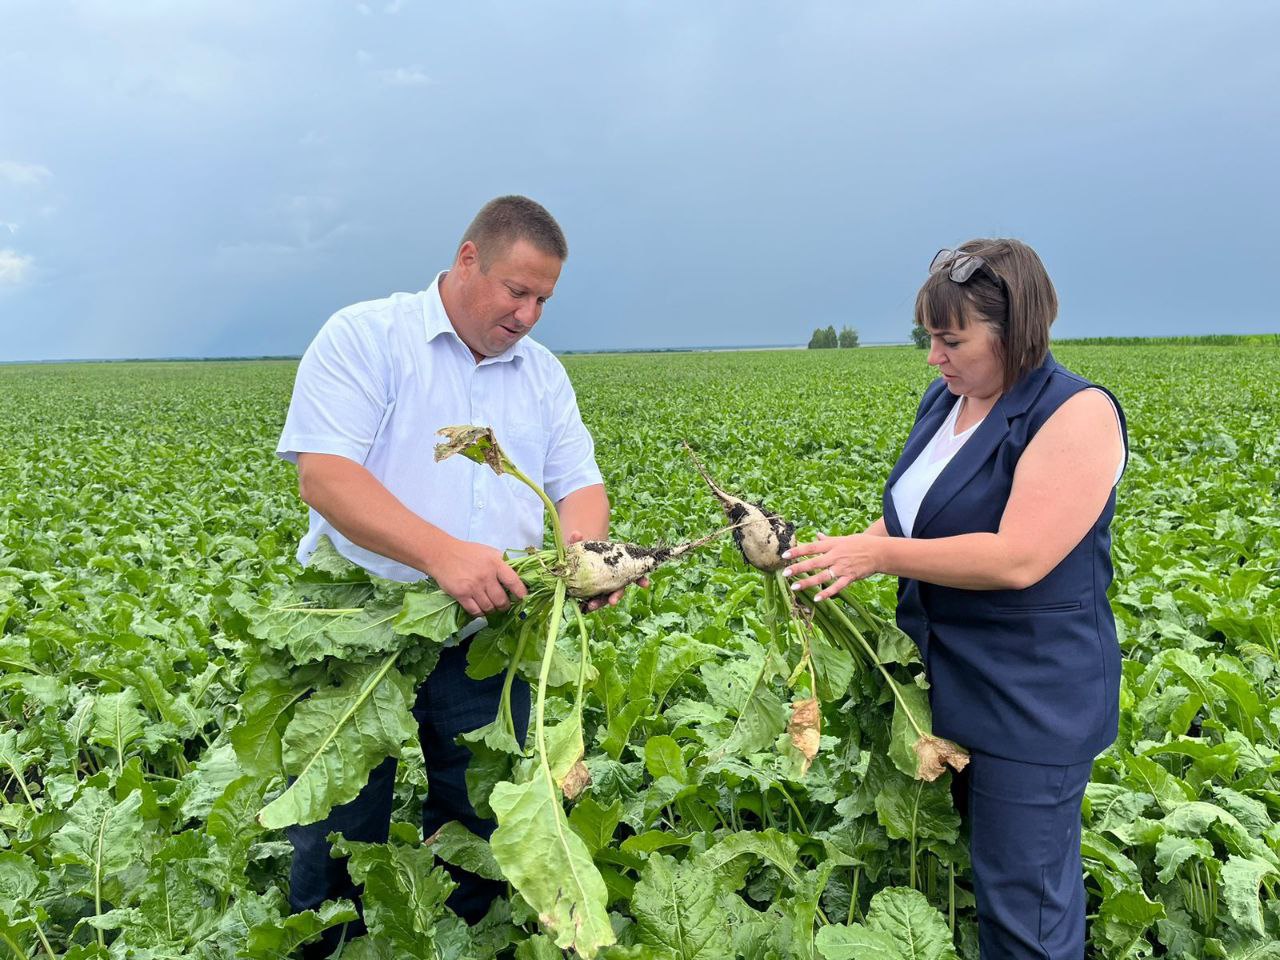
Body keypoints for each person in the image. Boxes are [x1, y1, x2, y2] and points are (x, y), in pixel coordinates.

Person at [275, 195, 629, 953]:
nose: (529, 315)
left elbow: (579, 485)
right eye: (517, 291)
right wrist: (442, 555)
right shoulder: (367, 337)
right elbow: (325, 475)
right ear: (469, 260)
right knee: (337, 830)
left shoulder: (542, 375)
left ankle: (469, 942)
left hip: (486, 633)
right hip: (356, 621)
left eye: (543, 300)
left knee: (482, 828)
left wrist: (587, 557)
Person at [783, 239, 1126, 960]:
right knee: (995, 884)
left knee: (1026, 913)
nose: (934, 358)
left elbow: (1019, 557)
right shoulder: (948, 401)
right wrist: (840, 555)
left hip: (1030, 700)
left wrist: (879, 557)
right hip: (945, 686)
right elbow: (917, 519)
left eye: (952, 341)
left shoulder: (1075, 413)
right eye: (929, 338)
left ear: (1016, 330)